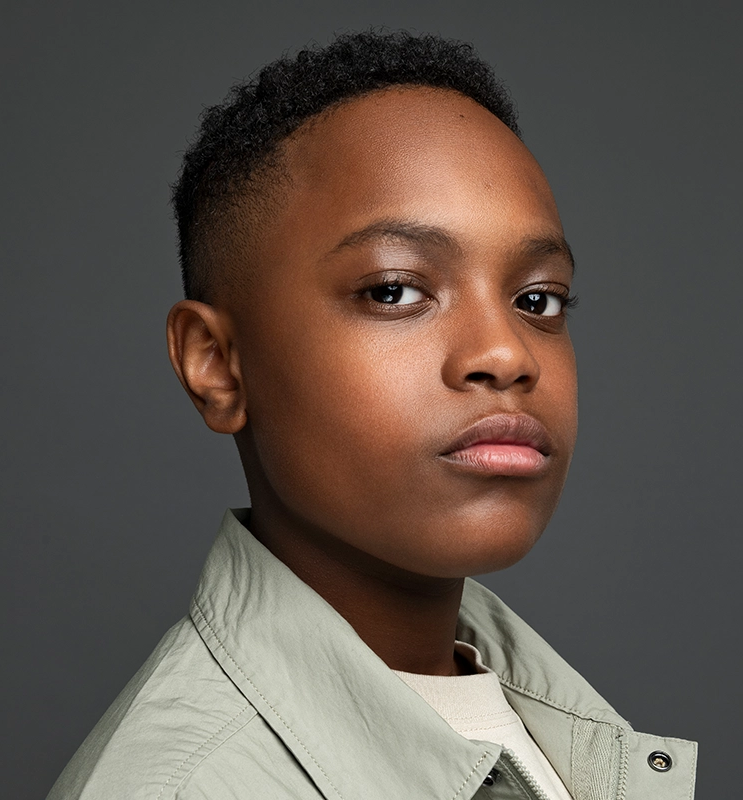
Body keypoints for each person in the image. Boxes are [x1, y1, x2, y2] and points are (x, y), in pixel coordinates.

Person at [47, 31, 697, 799]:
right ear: (217, 365)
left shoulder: (548, 728)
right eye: (394, 290)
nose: (507, 352)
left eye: (537, 300)